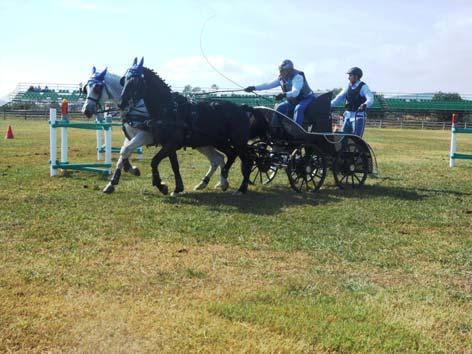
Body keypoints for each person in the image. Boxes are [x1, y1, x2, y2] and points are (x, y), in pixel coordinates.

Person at [244, 59, 315, 126]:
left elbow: (295, 92)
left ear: (289, 70)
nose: (280, 72)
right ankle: (275, 130)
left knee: (299, 108)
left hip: (306, 98)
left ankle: (296, 131)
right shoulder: (281, 79)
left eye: (282, 71)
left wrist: (284, 94)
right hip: (293, 101)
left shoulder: (297, 77)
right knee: (279, 108)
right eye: (280, 70)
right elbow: (268, 85)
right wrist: (254, 88)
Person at [331, 67, 374, 137]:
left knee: (356, 139)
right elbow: (339, 97)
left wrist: (365, 104)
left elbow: (370, 98)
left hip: (358, 117)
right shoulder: (348, 86)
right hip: (347, 116)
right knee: (343, 138)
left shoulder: (363, 87)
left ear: (356, 76)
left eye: (350, 75)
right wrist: (329, 105)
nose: (348, 78)